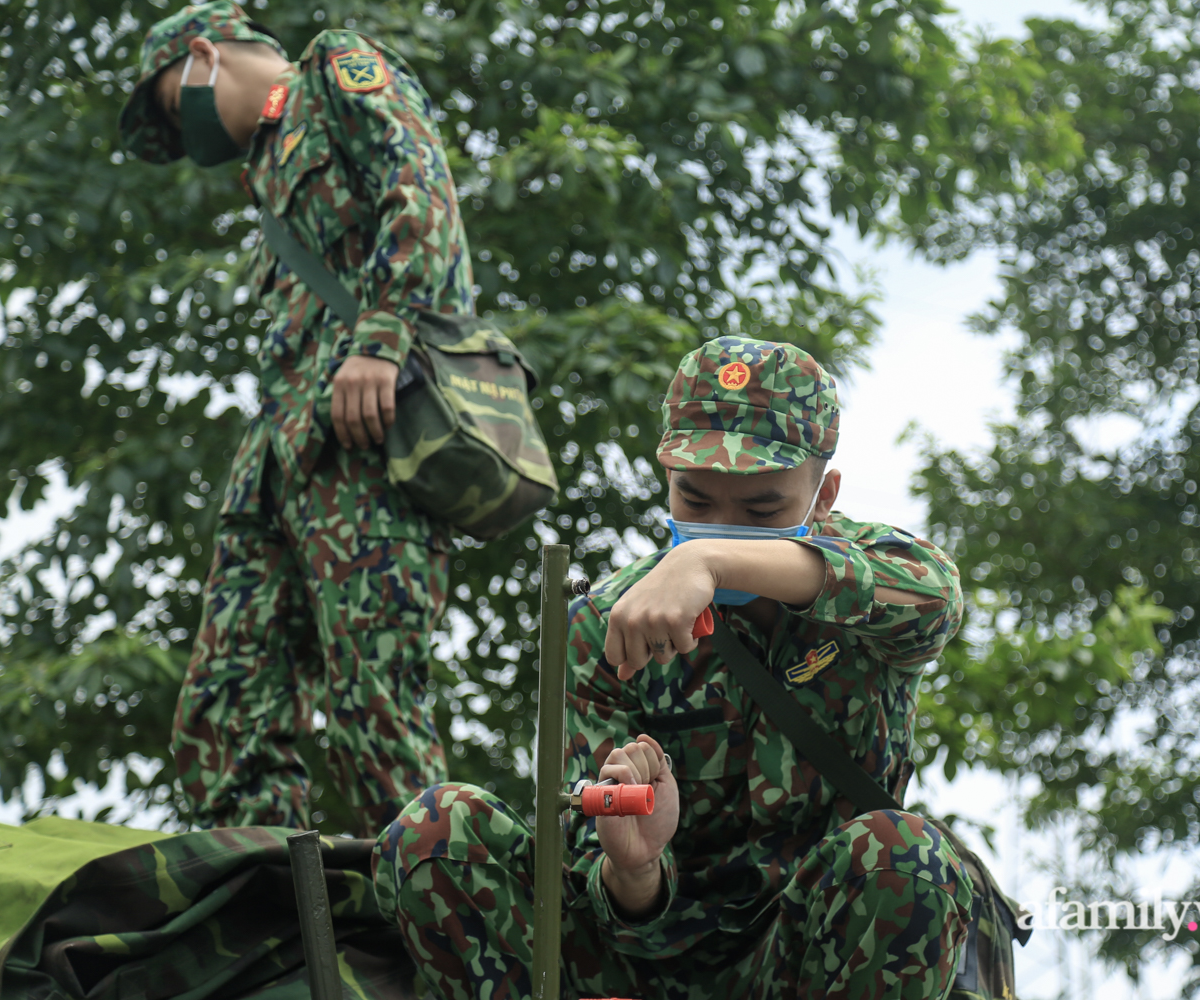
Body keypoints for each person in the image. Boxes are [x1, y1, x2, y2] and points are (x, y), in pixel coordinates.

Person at [374, 337, 975, 999]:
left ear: (822, 494)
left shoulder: (870, 590)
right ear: (666, 480)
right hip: (637, 969)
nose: (721, 525)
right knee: (436, 829)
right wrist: (634, 870)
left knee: (908, 852)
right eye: (695, 501)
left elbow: (936, 596)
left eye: (761, 509)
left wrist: (707, 563)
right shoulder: (609, 626)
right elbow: (594, 870)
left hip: (808, 962)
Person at [118, 1, 473, 834]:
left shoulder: (333, 72)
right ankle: (259, 901)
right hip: (281, 460)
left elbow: (418, 186)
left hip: (365, 449)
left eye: (176, 102)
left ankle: (437, 922)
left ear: (204, 54)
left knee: (373, 706)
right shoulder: (266, 165)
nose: (187, 127)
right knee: (222, 706)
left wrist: (381, 341)